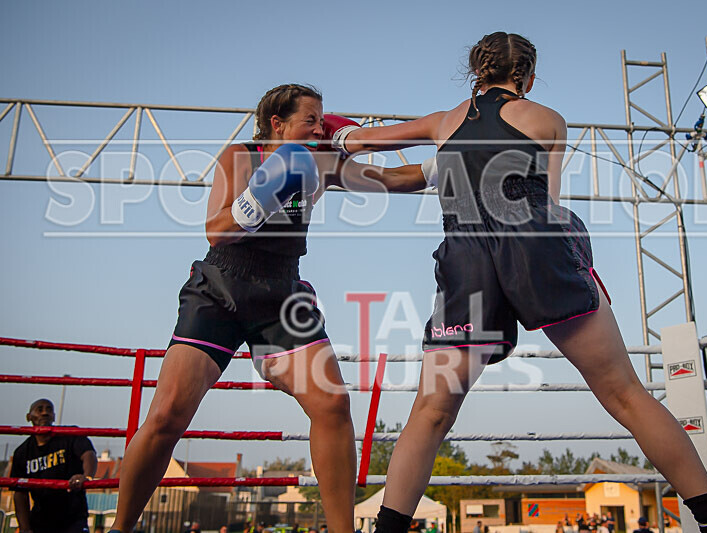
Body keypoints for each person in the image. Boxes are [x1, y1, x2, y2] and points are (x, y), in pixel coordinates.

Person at [331, 31, 707, 533]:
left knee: (432, 408)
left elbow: (359, 143)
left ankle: (389, 527)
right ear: (525, 77)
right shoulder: (548, 119)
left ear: (475, 73)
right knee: (626, 394)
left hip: (468, 259)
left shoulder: (442, 123)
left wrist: (328, 139)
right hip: (534, 247)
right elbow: (547, 199)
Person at [107, 84, 427, 533]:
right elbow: (216, 230)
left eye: (322, 120)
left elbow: (396, 179)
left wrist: (448, 162)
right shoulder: (240, 156)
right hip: (221, 285)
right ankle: (120, 527)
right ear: (277, 123)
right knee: (166, 416)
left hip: (282, 291)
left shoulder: (319, 162)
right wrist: (262, 196)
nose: (321, 128)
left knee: (332, 404)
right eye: (310, 120)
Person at [10, 398, 98, 533]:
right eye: (39, 410)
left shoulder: (69, 435)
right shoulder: (22, 452)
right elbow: (20, 493)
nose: (45, 413)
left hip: (73, 517)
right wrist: (25, 528)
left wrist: (87, 476)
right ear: (29, 417)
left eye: (49, 409)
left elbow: (89, 454)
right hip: (41, 520)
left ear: (54, 416)